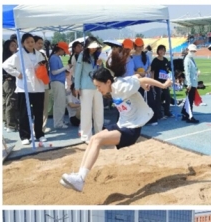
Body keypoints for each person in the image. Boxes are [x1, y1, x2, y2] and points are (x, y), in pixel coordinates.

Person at [60, 49, 173, 192]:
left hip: (131, 130)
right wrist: (139, 80)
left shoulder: (120, 87)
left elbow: (142, 79)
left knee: (97, 140)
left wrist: (163, 85)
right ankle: (79, 176)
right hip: (122, 125)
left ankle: (81, 179)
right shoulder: (115, 83)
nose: (98, 90)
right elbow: (135, 77)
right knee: (94, 138)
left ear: (108, 82)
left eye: (99, 86)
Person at [2, 33, 47, 145]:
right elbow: (5, 65)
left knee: (38, 112)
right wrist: (17, 74)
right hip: (24, 88)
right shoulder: (18, 55)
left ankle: (39, 134)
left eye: (32, 42)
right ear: (23, 43)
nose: (30, 44)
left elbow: (43, 66)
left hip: (38, 87)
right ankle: (25, 136)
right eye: (27, 42)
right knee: (24, 113)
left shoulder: (39, 54)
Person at [74, 39, 104, 143]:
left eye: (95, 46)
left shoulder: (98, 55)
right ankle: (86, 136)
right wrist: (77, 87)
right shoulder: (82, 55)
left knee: (99, 111)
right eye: (92, 46)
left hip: (98, 87)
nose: (94, 48)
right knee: (86, 112)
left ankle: (99, 133)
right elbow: (78, 72)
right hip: (86, 87)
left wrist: (99, 64)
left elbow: (101, 71)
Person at [49, 44, 70, 129]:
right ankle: (58, 123)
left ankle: (59, 121)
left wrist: (64, 71)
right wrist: (65, 68)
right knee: (59, 103)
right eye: (64, 51)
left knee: (60, 103)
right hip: (57, 82)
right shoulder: (54, 58)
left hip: (59, 82)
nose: (64, 53)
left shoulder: (56, 57)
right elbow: (54, 72)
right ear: (60, 49)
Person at [150, 45, 173, 120]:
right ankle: (159, 114)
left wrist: (169, 80)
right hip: (157, 82)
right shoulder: (155, 60)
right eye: (160, 50)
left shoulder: (165, 60)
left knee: (167, 97)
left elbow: (167, 71)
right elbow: (152, 71)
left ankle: (167, 111)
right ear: (158, 51)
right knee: (158, 98)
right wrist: (152, 81)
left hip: (165, 82)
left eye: (163, 50)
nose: (162, 51)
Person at [3, 39, 19, 132]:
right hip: (10, 82)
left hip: (10, 82)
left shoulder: (14, 56)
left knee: (8, 102)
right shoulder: (8, 58)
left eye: (15, 45)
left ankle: (7, 122)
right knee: (11, 103)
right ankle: (10, 124)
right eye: (12, 45)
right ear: (7, 47)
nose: (15, 47)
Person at [181, 44, 200, 124]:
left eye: (194, 51)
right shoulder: (187, 60)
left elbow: (194, 69)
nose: (193, 52)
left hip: (193, 82)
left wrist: (197, 72)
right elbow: (187, 73)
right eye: (192, 51)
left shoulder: (191, 59)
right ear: (188, 50)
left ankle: (185, 113)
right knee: (190, 100)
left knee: (189, 99)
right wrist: (189, 84)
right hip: (190, 83)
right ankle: (190, 116)